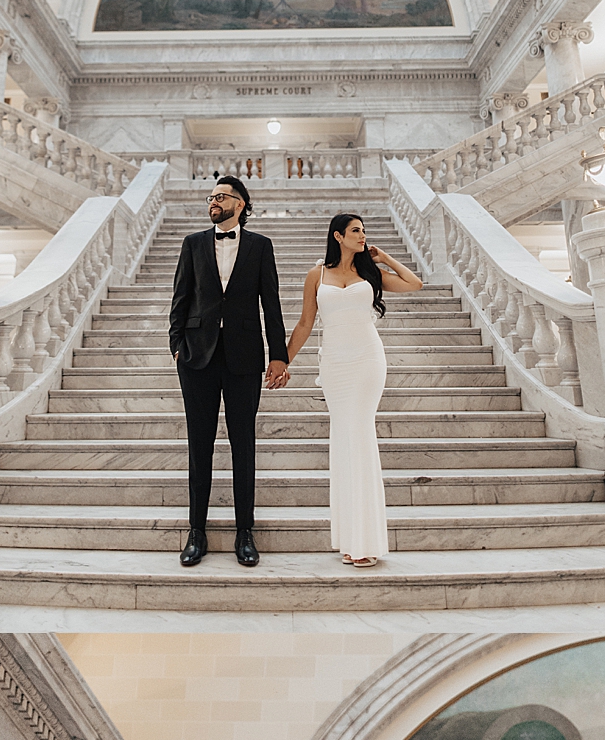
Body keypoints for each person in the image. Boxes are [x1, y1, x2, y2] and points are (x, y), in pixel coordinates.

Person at [285, 212, 422, 567]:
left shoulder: (370, 273)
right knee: (343, 441)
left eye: (363, 231)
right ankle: (351, 538)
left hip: (366, 361)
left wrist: (383, 256)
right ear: (337, 236)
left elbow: (414, 283)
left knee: (360, 436)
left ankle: (366, 541)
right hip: (334, 365)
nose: (362, 236)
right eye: (356, 231)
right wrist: (282, 360)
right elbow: (304, 323)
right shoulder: (317, 275)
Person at [168, 175, 289, 567]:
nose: (213, 202)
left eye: (221, 196)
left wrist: (279, 355)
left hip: (243, 358)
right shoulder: (193, 244)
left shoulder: (260, 247)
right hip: (197, 357)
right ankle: (196, 532)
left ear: (240, 203)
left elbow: (270, 302)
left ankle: (244, 532)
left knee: (244, 445)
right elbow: (181, 297)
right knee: (199, 447)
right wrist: (176, 346)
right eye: (211, 197)